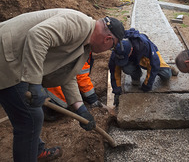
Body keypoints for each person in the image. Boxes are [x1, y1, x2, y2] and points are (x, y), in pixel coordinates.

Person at [0, 9, 124, 162]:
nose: (109, 50)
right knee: (31, 118)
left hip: (17, 60)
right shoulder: (78, 25)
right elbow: (37, 35)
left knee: (29, 115)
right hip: (6, 54)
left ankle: (34, 150)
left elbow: (67, 74)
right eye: (112, 46)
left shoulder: (85, 44)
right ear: (108, 39)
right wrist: (34, 82)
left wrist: (80, 108)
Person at [109, 28, 178, 106]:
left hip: (148, 56)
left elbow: (154, 65)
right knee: (126, 68)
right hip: (134, 59)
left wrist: (147, 85)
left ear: (131, 49)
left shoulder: (144, 45)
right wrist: (117, 91)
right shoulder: (117, 50)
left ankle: (168, 67)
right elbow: (114, 71)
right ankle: (136, 76)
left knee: (166, 75)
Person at [44, 52, 101, 121]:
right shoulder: (81, 53)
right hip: (52, 86)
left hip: (58, 80)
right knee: (63, 102)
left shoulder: (85, 50)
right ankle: (45, 108)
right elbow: (82, 78)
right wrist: (93, 99)